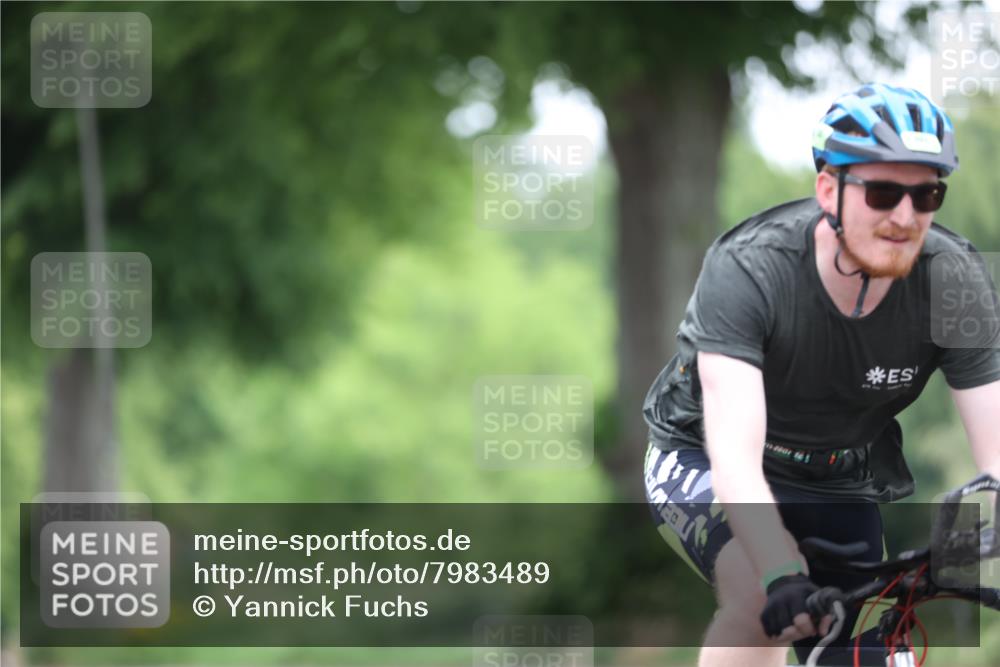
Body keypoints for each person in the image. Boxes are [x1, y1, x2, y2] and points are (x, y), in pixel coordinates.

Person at [641, 82, 1000, 667]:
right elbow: (733, 455)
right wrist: (781, 569)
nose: (905, 217)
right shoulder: (750, 269)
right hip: (703, 455)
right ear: (829, 189)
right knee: (761, 598)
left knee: (847, 649)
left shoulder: (953, 281)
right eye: (883, 192)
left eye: (927, 193)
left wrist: (975, 540)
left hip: (840, 473)